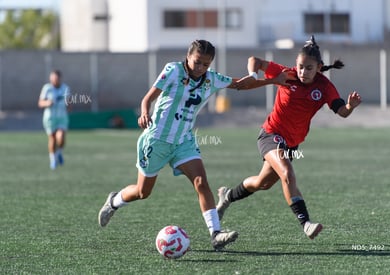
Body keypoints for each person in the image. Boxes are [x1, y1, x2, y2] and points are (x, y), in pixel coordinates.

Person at [97, 40, 290, 251]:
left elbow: (241, 84)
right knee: (143, 192)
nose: (200, 68)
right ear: (188, 56)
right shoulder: (172, 70)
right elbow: (148, 99)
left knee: (201, 182)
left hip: (184, 142)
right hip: (157, 140)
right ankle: (115, 201)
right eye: (197, 62)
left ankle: (216, 234)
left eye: (206, 64)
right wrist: (144, 113)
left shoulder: (211, 79)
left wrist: (273, 81)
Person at [216, 35, 362, 240]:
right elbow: (254, 60)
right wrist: (251, 74)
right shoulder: (286, 74)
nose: (303, 72)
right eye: (300, 66)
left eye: (309, 68)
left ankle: (227, 196)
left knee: (262, 183)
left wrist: (350, 107)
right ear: (296, 64)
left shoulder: (325, 86)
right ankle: (306, 224)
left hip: (292, 143)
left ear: (319, 67)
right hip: (271, 134)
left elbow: (342, 112)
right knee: (288, 173)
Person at [38, 70, 71, 170]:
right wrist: (47, 103)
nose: (55, 80)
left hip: (61, 117)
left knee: (60, 138)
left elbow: (69, 103)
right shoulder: (47, 88)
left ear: (60, 78)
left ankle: (59, 152)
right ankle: (53, 159)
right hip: (50, 118)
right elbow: (40, 103)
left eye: (56, 78)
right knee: (52, 138)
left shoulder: (65, 88)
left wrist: (68, 105)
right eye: (53, 78)